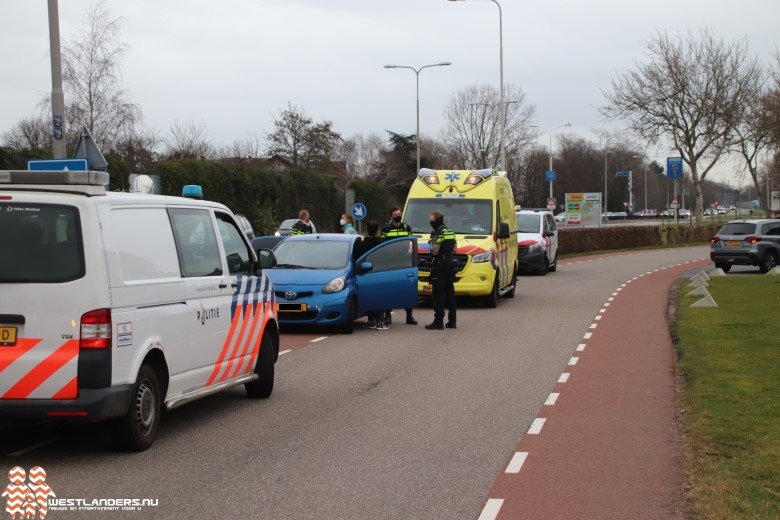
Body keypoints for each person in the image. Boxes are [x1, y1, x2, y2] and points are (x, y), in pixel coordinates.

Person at [381, 207, 418, 325]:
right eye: (395, 214)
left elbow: (412, 242)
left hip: (404, 261)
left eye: (399, 214)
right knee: (388, 289)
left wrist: (410, 254)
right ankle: (387, 315)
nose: (398, 215)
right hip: (390, 261)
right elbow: (382, 244)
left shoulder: (406, 227)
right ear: (391, 216)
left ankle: (409, 315)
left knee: (407, 288)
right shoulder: (386, 228)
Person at [354, 221, 389, 330]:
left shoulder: (361, 243)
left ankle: (371, 320)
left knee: (370, 296)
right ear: (378, 231)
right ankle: (380, 322)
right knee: (381, 297)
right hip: (379, 273)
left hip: (364, 273)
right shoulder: (382, 243)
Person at [425, 210, 457, 330]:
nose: (430, 222)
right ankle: (452, 321)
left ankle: (438, 322)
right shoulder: (450, 231)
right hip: (450, 263)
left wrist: (431, 242)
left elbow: (434, 251)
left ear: (437, 220)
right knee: (450, 292)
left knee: (438, 293)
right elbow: (455, 250)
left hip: (440, 265)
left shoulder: (437, 233)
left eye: (431, 220)